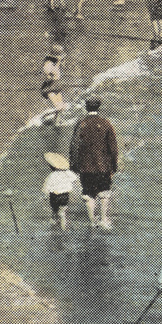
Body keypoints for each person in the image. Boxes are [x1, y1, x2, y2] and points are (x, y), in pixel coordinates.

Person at [67, 96, 118, 229]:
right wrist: (114, 165)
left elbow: (74, 145)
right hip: (103, 166)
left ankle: (92, 221)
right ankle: (104, 220)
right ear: (98, 107)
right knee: (104, 193)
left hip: (85, 166)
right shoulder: (106, 123)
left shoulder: (81, 123)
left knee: (88, 194)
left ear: (86, 107)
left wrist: (73, 164)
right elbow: (113, 147)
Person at [41, 151, 79, 229]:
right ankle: (63, 227)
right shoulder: (67, 173)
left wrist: (44, 195)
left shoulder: (51, 175)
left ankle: (54, 220)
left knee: (54, 209)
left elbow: (46, 187)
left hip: (54, 196)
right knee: (63, 212)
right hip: (65, 195)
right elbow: (75, 179)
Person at [39, 44, 65, 125]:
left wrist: (59, 62)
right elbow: (48, 75)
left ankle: (57, 122)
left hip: (56, 85)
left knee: (61, 107)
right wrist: (51, 75)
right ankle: (51, 121)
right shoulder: (48, 63)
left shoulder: (56, 63)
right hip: (50, 86)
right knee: (58, 106)